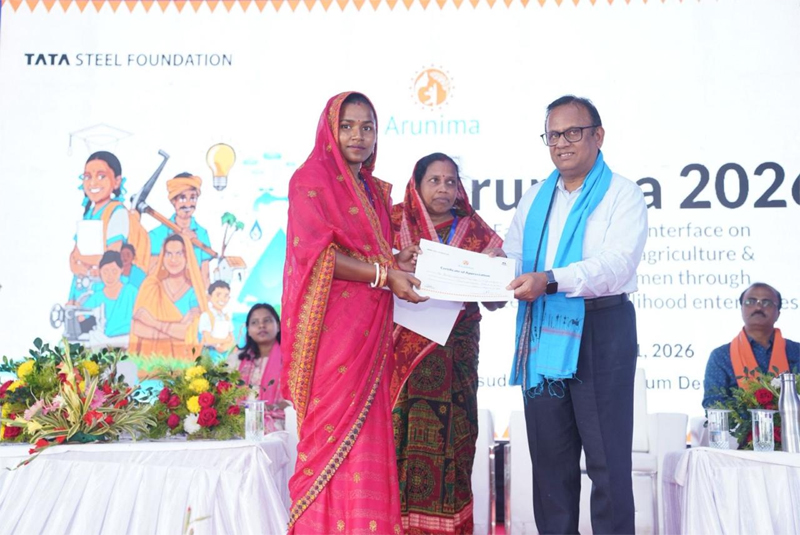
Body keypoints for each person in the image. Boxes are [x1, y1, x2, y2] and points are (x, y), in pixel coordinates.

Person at [492, 95, 648, 534]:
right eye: (553, 135)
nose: (561, 142)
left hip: (602, 329)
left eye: (572, 132)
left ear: (598, 135)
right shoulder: (535, 199)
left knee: (607, 463)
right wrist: (485, 273)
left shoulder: (622, 194)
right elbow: (514, 258)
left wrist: (550, 279)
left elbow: (617, 265)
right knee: (550, 464)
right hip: (543, 331)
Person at [281, 91, 426, 535]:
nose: (357, 136)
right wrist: (385, 274)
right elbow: (317, 256)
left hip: (371, 333)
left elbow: (366, 255)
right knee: (329, 438)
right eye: (346, 126)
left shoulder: (372, 189)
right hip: (335, 338)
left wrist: (396, 261)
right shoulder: (310, 181)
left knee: (369, 438)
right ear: (330, 130)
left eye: (367, 127)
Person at [391, 152, 503, 534]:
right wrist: (395, 261)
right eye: (434, 180)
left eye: (451, 181)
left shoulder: (475, 231)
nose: (444, 188)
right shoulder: (392, 222)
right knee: (396, 443)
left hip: (456, 356)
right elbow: (369, 273)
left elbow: (497, 300)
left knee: (455, 442)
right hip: (400, 360)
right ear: (416, 185)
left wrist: (495, 273)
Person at [703, 282, 800, 408]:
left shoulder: (797, 351)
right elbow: (713, 403)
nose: (758, 307)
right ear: (741, 309)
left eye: (767, 302)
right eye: (750, 302)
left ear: (778, 313)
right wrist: (751, 415)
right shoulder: (721, 356)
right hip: (739, 422)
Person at [130, 234, 208, 362]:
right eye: (168, 254)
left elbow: (189, 332)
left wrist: (153, 323)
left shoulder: (195, 292)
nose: (173, 259)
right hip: (150, 362)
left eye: (179, 254)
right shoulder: (152, 287)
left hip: (182, 364)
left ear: (187, 257)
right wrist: (173, 332)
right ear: (162, 257)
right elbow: (137, 328)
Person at [68, 151, 129, 304]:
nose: (93, 183)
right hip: (82, 285)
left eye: (101, 176)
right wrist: (79, 264)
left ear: (116, 181)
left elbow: (111, 258)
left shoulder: (117, 212)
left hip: (103, 290)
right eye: (88, 177)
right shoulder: (89, 213)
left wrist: (81, 260)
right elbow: (74, 255)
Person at [148, 172, 212, 287]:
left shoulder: (202, 234)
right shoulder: (156, 235)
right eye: (182, 198)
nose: (188, 204)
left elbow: (205, 277)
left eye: (192, 198)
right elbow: (151, 274)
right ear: (173, 201)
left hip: (194, 294)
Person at [227, 303, 286, 429]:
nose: (261, 325)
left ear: (278, 326)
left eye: (267, 320)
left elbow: (296, 401)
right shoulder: (235, 361)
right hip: (239, 426)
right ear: (248, 329)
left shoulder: (290, 361)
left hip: (279, 426)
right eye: (255, 322)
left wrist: (272, 407)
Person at [82, 250, 138, 345]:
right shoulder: (97, 297)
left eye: (114, 271)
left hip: (129, 342)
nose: (109, 276)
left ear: (121, 270)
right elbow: (81, 317)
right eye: (105, 271)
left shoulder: (131, 292)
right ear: (100, 271)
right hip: (105, 344)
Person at [200, 280, 235, 361]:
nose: (222, 299)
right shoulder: (206, 316)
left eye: (226, 296)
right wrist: (223, 341)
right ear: (209, 297)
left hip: (225, 353)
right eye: (218, 295)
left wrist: (226, 347)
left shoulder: (226, 317)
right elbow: (208, 340)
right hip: (210, 353)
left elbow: (232, 338)